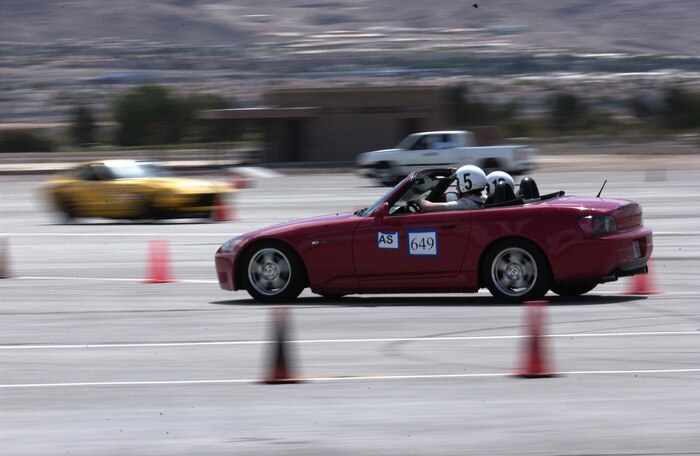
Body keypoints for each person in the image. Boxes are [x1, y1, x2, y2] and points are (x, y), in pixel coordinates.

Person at [417, 164, 487, 212]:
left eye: (457, 184)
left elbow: (427, 207)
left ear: (466, 185)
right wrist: (459, 172)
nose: (456, 188)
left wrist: (417, 200)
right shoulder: (481, 200)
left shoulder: (465, 203)